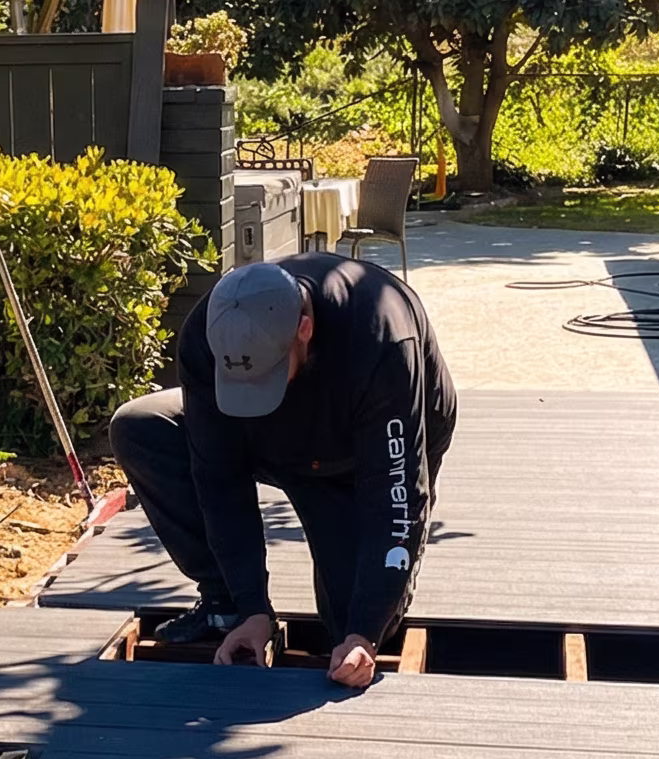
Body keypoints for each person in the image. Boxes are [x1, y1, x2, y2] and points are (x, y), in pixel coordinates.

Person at [108, 253, 455, 688]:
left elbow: (395, 499)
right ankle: (225, 605)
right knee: (141, 427)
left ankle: (368, 612)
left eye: (266, 376)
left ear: (303, 330)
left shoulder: (381, 337)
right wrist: (250, 604)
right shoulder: (208, 331)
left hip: (362, 450)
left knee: (353, 622)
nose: (250, 391)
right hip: (275, 438)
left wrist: (363, 633)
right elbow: (217, 477)